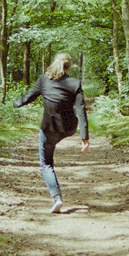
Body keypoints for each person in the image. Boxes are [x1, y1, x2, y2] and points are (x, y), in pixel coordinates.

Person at [12, 52, 89, 214]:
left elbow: (28, 97)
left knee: (46, 163)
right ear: (69, 67)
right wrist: (84, 138)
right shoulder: (75, 83)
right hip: (68, 128)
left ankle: (57, 198)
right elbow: (81, 111)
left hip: (49, 128)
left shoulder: (43, 80)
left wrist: (15, 103)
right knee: (53, 142)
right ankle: (56, 198)